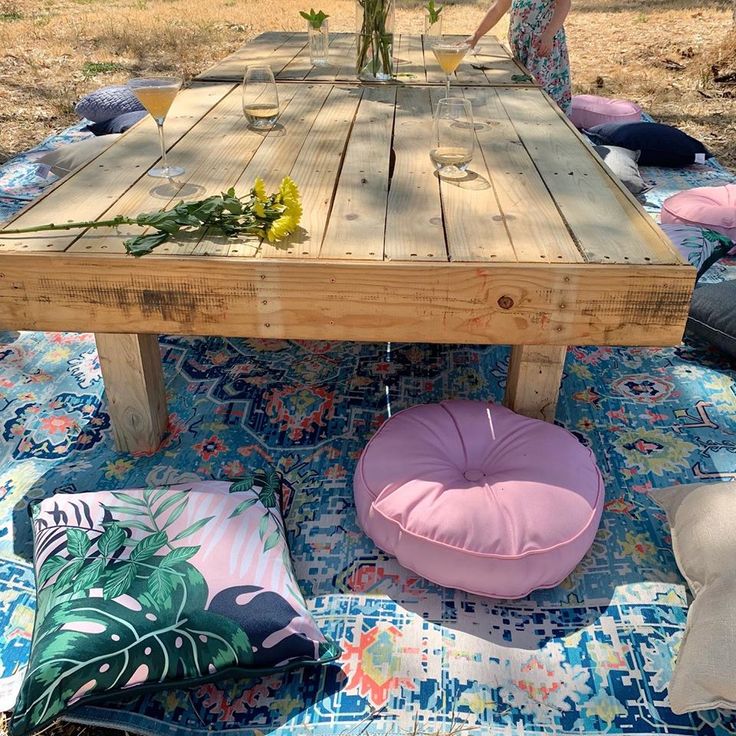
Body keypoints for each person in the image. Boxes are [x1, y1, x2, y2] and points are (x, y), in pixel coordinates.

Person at [467, 0, 572, 114]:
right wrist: (476, 35)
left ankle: (554, 125)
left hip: (542, 48)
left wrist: (549, 34)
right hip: (522, 48)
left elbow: (564, 3)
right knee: (523, 92)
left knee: (544, 95)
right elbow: (498, 8)